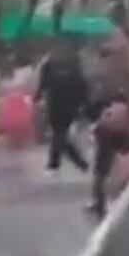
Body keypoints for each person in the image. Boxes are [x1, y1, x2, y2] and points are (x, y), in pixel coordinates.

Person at [37, 41, 89, 172]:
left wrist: (37, 96)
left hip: (60, 104)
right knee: (60, 134)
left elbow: (43, 84)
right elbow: (82, 85)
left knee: (59, 134)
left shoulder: (52, 65)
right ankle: (74, 163)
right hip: (64, 105)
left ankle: (55, 163)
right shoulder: (71, 64)